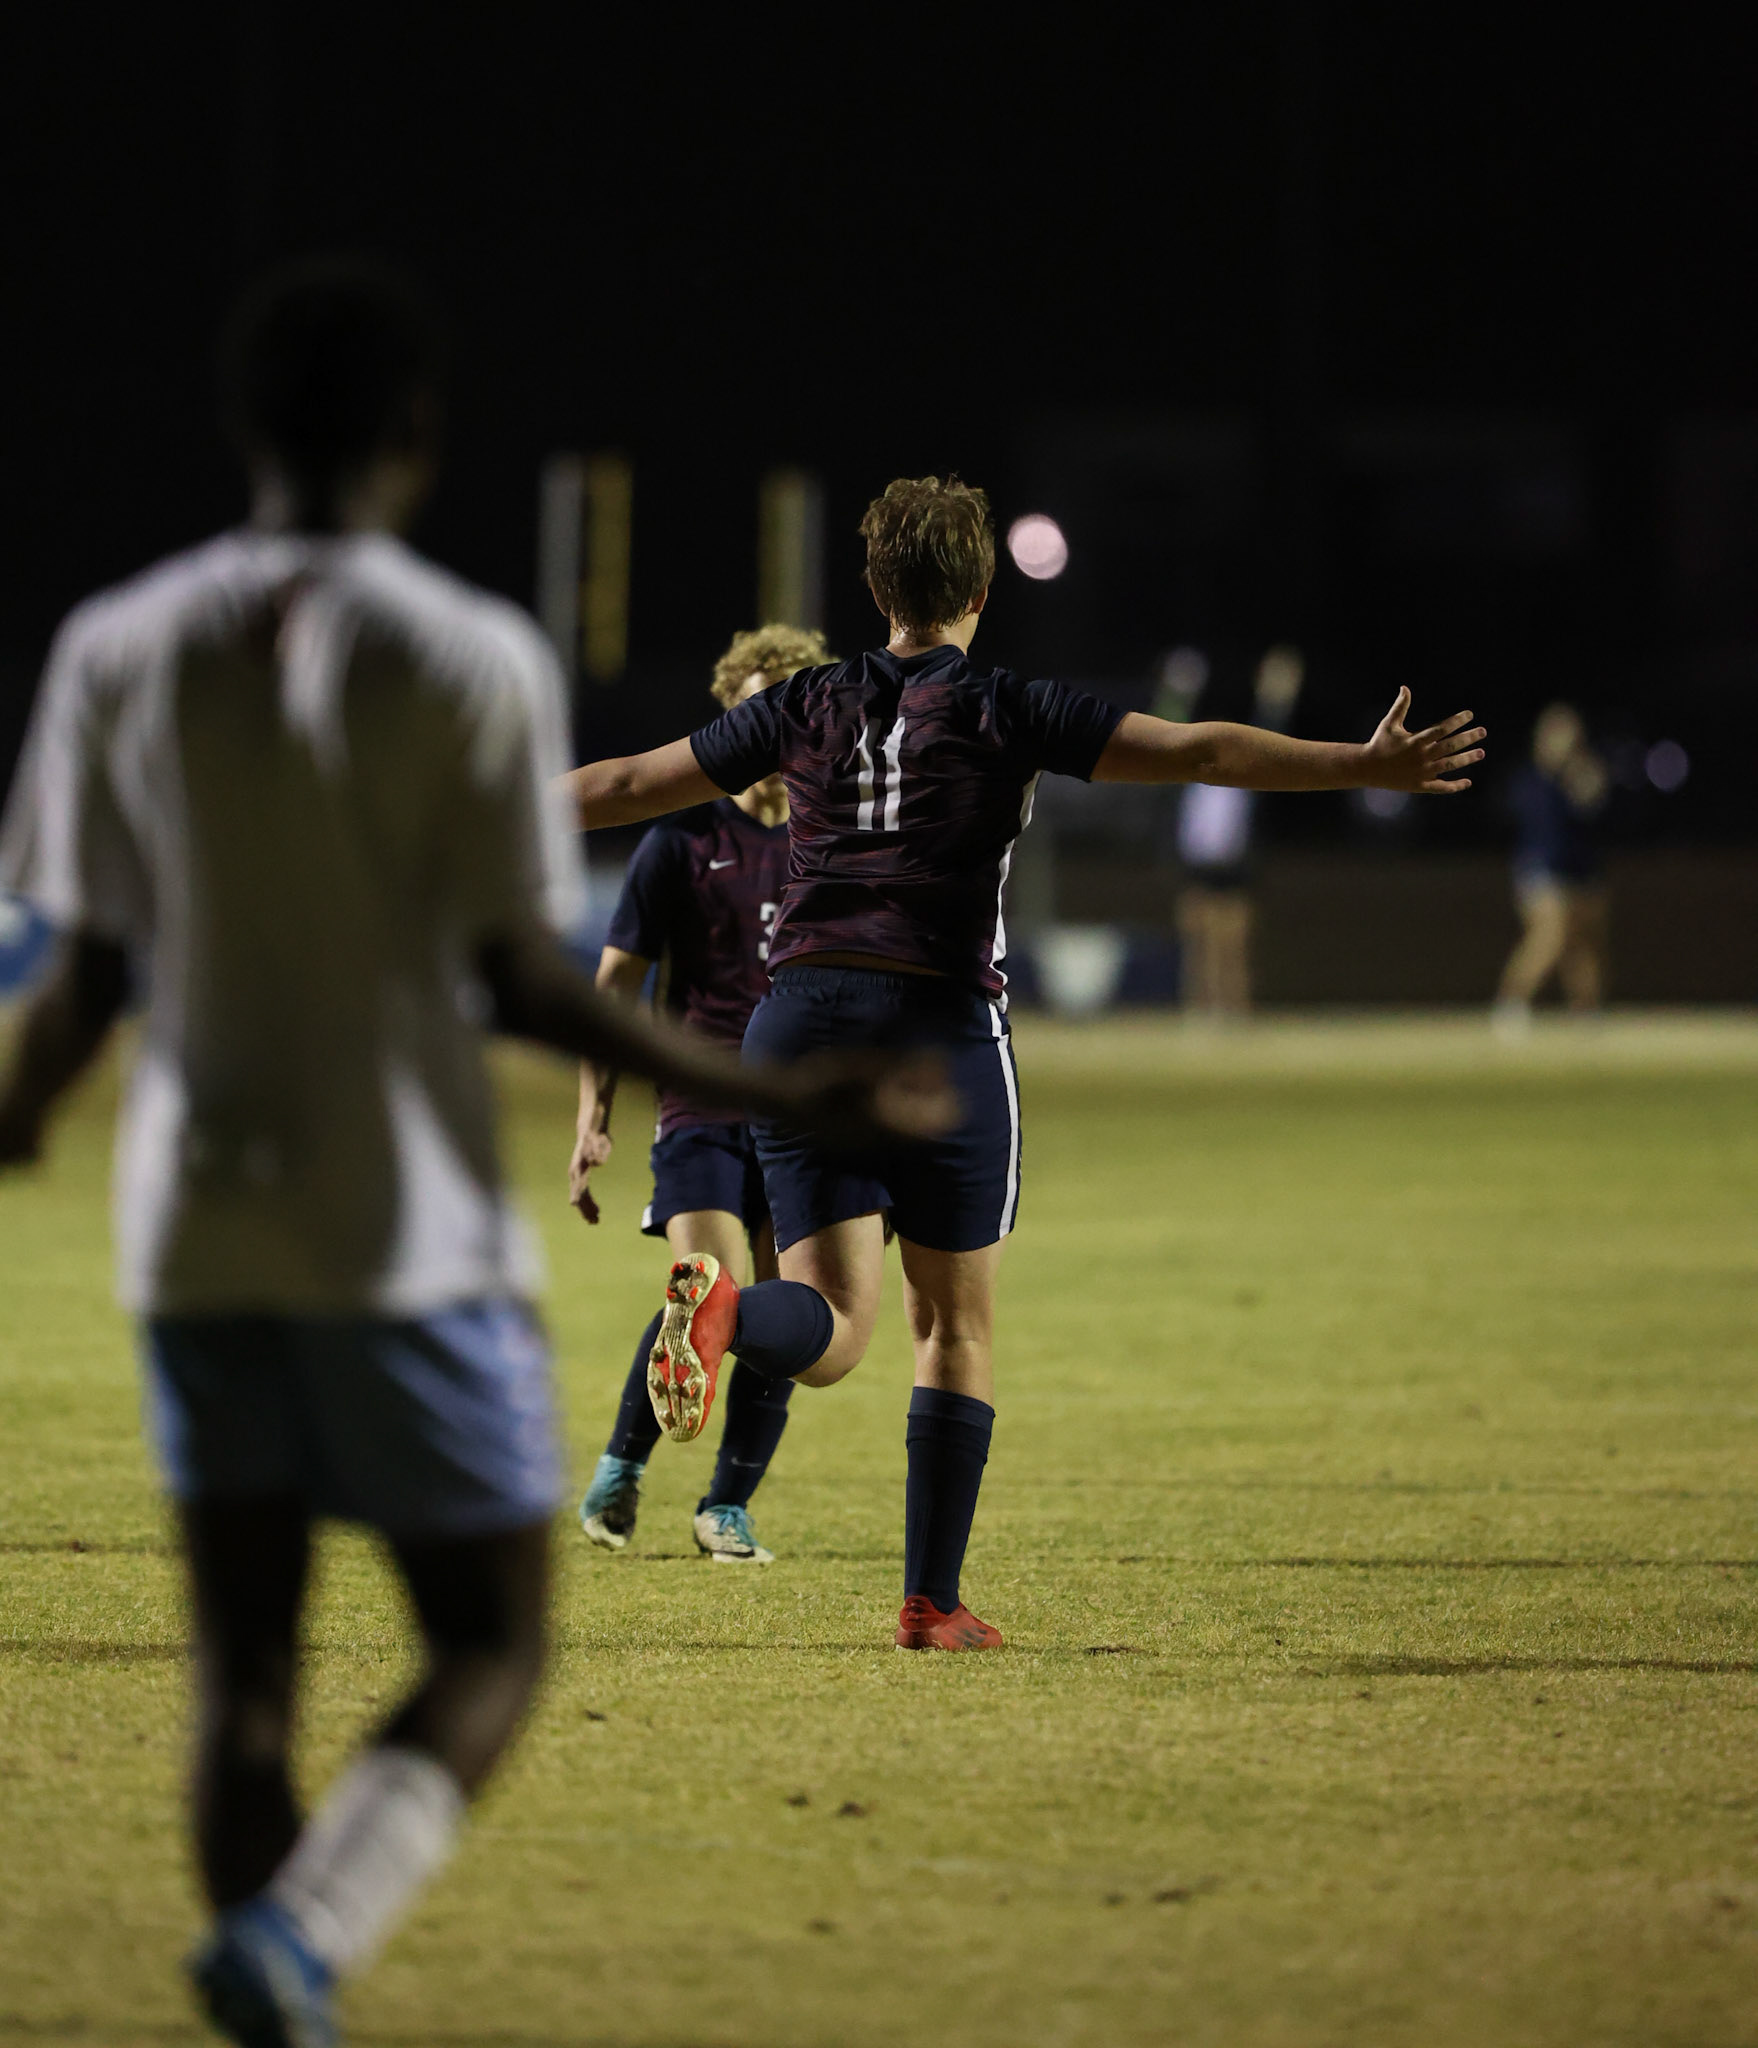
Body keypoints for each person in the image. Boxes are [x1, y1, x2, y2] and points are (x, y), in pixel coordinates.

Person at [0, 263, 943, 2048]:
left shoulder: (114, 647)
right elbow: (530, 980)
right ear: (417, 440)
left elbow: (83, 979)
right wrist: (791, 1101)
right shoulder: (467, 658)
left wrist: (19, 1112)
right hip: (406, 1237)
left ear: (241, 426)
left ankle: (276, 1961)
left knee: (247, 1678)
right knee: (492, 1638)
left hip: (189, 1241)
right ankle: (306, 1940)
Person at [563, 474, 1486, 1653]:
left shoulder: (803, 703)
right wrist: (1362, 766)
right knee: (949, 1326)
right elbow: (1200, 748)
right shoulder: (1009, 706)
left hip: (795, 1021)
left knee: (835, 1327)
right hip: (937, 1028)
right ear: (984, 592)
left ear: (872, 587)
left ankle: (729, 1304)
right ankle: (930, 1602)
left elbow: (625, 784)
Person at [572, 623, 828, 1565]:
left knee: (784, 1308)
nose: (762, 723)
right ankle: (623, 1466)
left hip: (803, 1117)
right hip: (701, 1107)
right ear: (728, 715)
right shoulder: (680, 840)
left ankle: (726, 1505)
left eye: (780, 704)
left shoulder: (832, 836)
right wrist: (591, 1121)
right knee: (706, 1290)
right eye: (747, 706)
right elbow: (611, 990)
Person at [1173, 645, 1305, 1019]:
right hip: (1197, 866)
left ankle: (1236, 1009)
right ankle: (1199, 1010)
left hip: (1234, 866)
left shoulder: (1243, 777)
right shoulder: (1185, 777)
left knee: (1234, 944)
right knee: (1197, 944)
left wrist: (1276, 700)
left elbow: (1272, 743)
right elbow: (1159, 733)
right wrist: (1179, 692)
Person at [1494, 701, 1608, 1033]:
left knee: (1583, 944)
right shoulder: (1530, 780)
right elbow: (1529, 819)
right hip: (1541, 870)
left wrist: (1585, 783)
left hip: (1582, 870)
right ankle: (1511, 1005)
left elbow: (1598, 813)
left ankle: (1586, 1013)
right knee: (1550, 935)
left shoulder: (1584, 774)